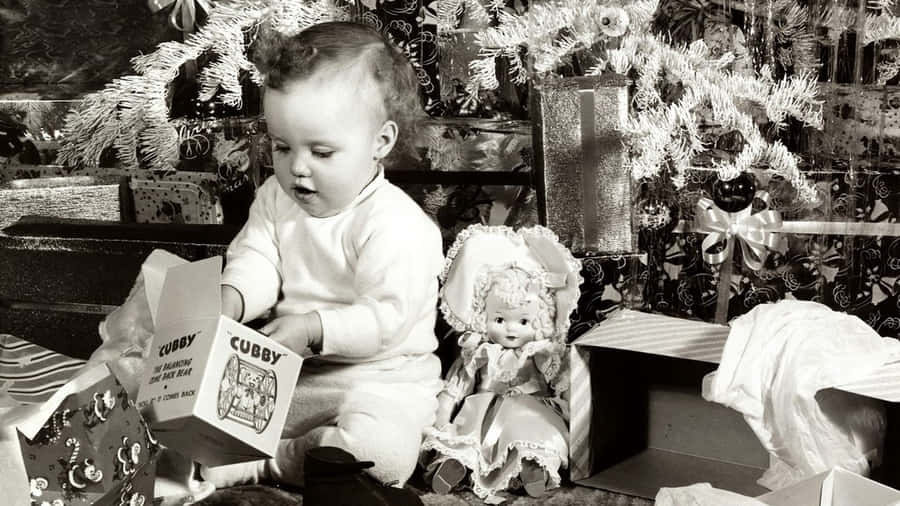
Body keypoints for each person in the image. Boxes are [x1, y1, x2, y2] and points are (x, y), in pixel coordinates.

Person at [202, 20, 445, 495]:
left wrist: (313, 329)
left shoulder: (396, 224)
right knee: (201, 418)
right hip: (295, 374)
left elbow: (385, 319)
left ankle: (271, 463)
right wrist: (231, 298)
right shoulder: (276, 197)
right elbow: (257, 259)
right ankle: (277, 453)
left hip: (379, 380)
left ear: (381, 143)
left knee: (382, 455)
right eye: (281, 146)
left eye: (322, 151)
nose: (297, 167)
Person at [420, 224, 581, 503]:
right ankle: (454, 466)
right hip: (484, 410)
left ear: (541, 319)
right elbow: (454, 389)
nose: (511, 330)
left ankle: (534, 467)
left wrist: (575, 413)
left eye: (523, 321)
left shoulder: (540, 353)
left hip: (531, 410)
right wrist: (442, 420)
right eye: (499, 319)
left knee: (535, 433)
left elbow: (562, 384)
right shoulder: (478, 352)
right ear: (484, 316)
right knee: (468, 440)